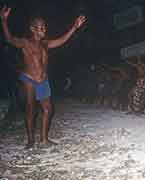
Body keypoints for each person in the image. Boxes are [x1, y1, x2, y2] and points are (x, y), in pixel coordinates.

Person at [0, 5, 86, 148]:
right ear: (32, 29)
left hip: (43, 79)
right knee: (31, 109)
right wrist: (3, 21)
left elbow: (62, 39)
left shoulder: (46, 44)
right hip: (29, 78)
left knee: (48, 109)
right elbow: (9, 39)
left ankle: (44, 139)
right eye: (40, 27)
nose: (44, 30)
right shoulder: (25, 43)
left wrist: (74, 27)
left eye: (44, 27)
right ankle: (30, 141)